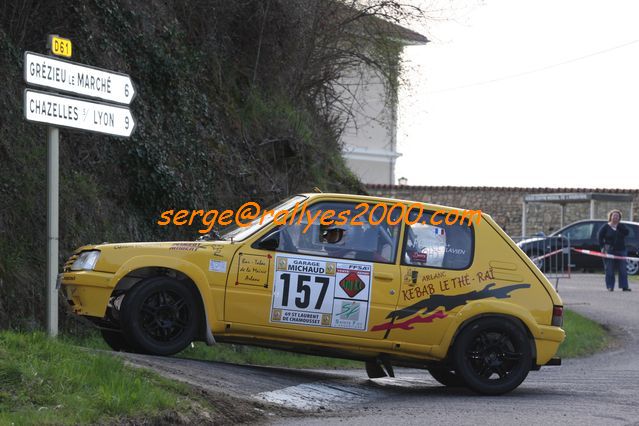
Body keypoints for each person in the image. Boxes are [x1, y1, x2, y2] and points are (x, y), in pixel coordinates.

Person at [597, 209, 631, 292]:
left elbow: (627, 232)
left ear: (619, 218)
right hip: (609, 250)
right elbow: (599, 237)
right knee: (609, 269)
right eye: (614, 215)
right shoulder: (606, 226)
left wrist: (618, 227)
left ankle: (624, 286)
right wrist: (602, 247)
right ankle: (610, 286)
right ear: (610, 217)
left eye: (617, 216)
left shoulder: (621, 226)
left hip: (621, 250)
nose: (615, 217)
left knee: (623, 269)